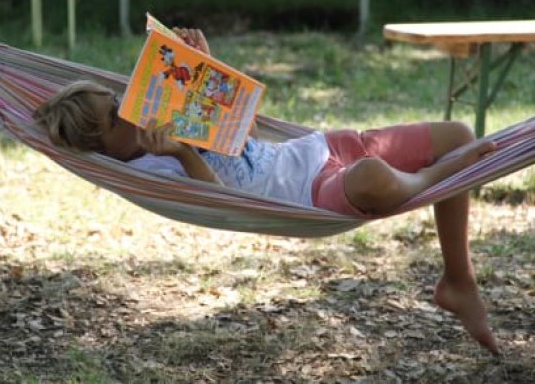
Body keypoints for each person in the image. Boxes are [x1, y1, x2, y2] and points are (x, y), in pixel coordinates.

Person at [33, 27, 499, 355]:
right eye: (114, 120)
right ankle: (437, 178)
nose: (127, 113)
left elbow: (246, 127)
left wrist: (207, 72)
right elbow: (219, 202)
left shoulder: (167, 116)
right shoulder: (155, 167)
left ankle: (458, 280)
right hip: (316, 193)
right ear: (102, 151)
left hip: (320, 150)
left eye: (117, 102)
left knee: (459, 133)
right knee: (376, 175)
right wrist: (181, 153)